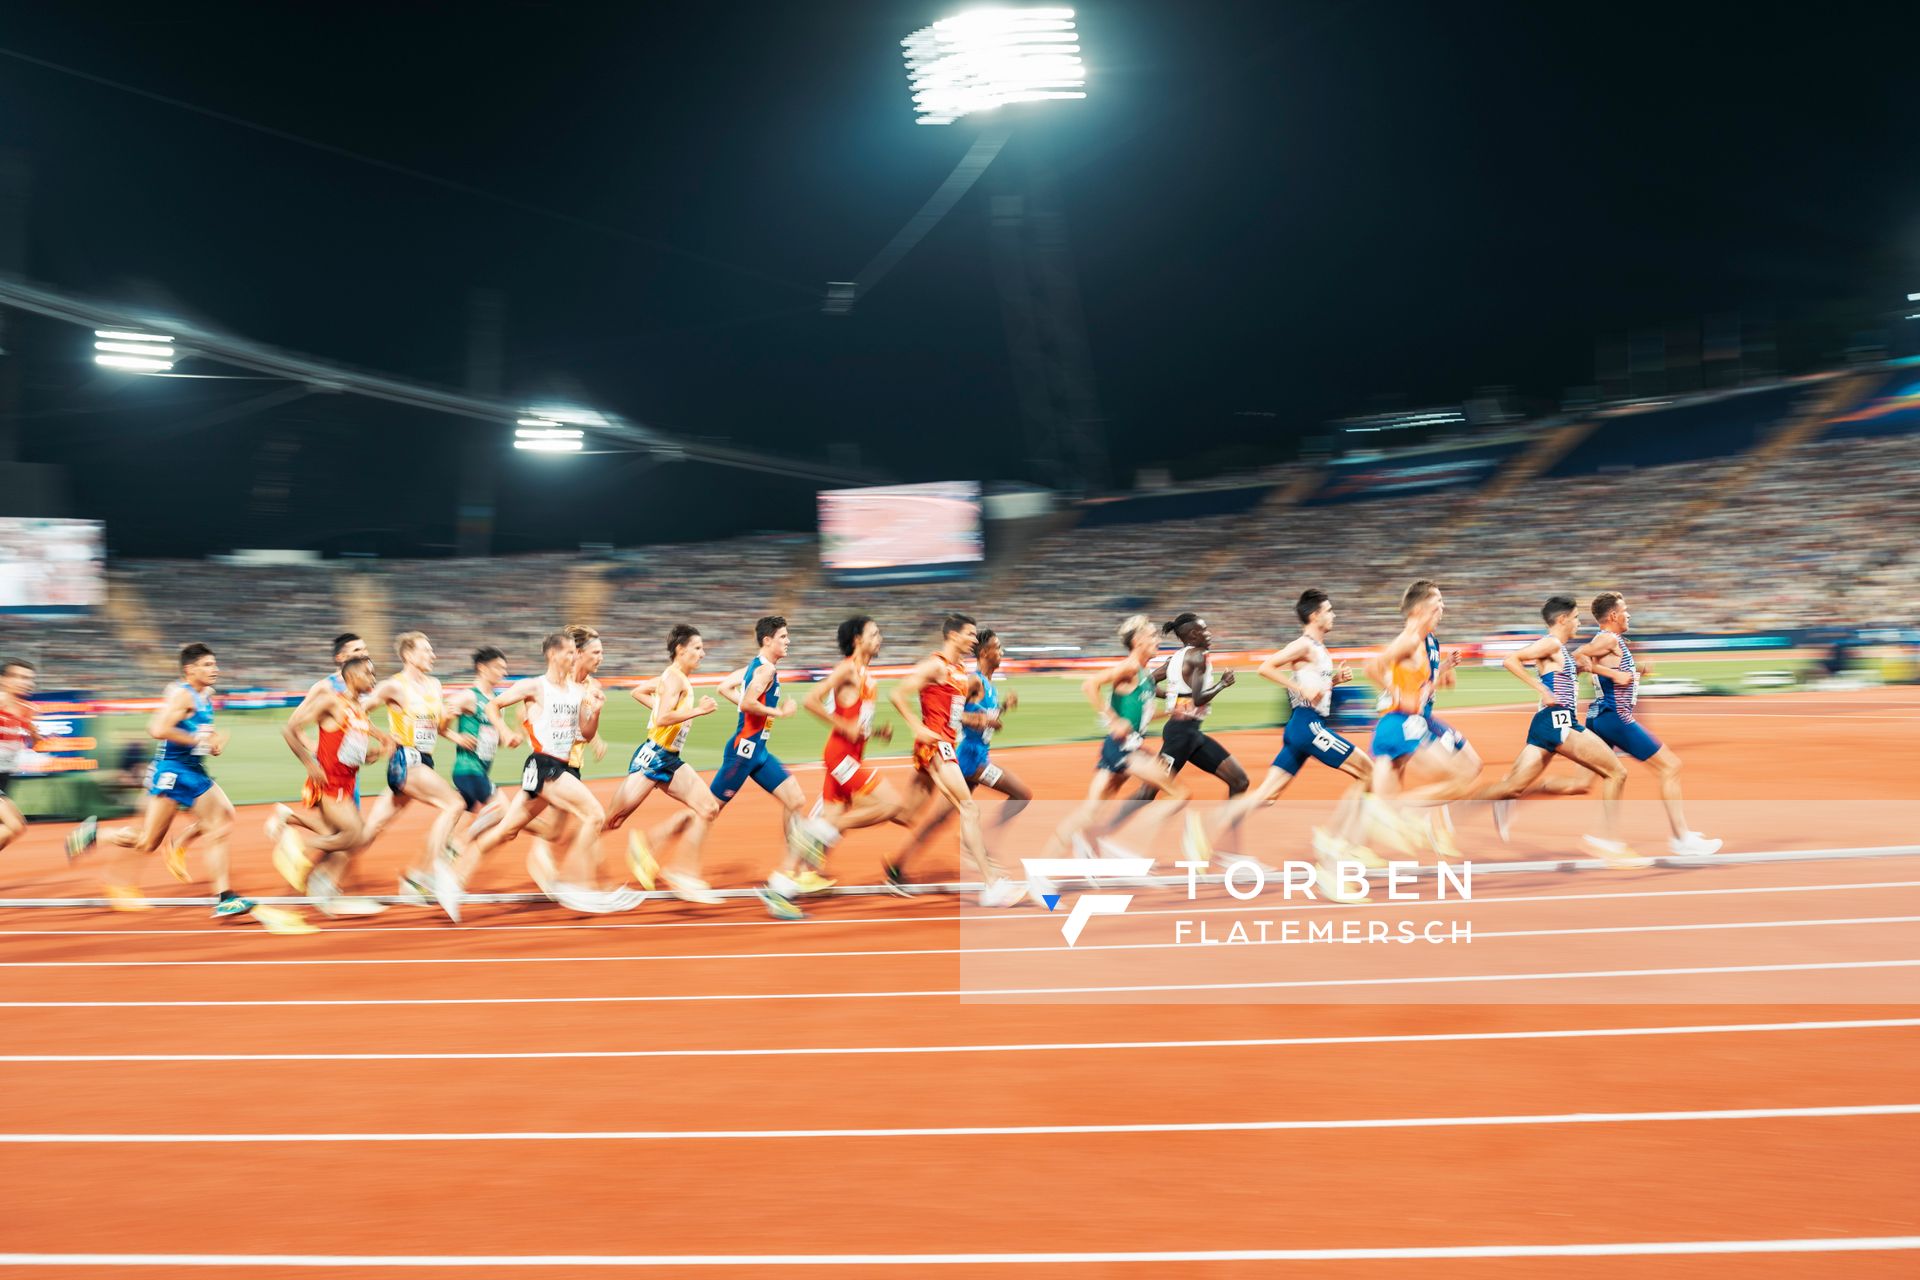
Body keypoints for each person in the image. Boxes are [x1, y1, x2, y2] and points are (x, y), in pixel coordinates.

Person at [67, 643, 271, 924]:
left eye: (215, 664)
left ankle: (94, 835)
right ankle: (223, 897)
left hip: (191, 768)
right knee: (205, 827)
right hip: (174, 771)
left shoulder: (205, 694)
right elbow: (158, 729)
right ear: (190, 670)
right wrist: (197, 741)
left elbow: (198, 730)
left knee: (164, 836)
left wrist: (210, 744)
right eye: (208, 665)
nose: (216, 669)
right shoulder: (183, 696)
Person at [1199, 590, 1376, 892]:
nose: (1334, 615)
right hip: (1308, 726)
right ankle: (1337, 841)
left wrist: (1333, 681)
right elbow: (1265, 668)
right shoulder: (1304, 644)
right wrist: (1296, 687)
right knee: (1369, 771)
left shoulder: (1318, 648)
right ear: (1315, 615)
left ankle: (1204, 826)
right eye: (1329, 610)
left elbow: (1313, 687)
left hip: (1302, 726)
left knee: (1267, 796)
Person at [438, 631, 612, 920]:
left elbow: (585, 733)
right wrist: (506, 732)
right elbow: (494, 706)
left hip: (559, 767)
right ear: (553, 655)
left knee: (506, 831)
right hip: (545, 766)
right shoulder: (535, 686)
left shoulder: (578, 691)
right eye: (569, 652)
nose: (574, 657)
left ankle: (451, 881)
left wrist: (595, 711)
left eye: (575, 652)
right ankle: (574, 883)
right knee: (594, 815)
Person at [682, 615, 838, 921]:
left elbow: (726, 688)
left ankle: (793, 873)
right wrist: (777, 711)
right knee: (708, 809)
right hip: (743, 751)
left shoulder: (758, 667)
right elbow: (748, 702)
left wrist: (754, 708)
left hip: (759, 751)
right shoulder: (764, 669)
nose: (787, 641)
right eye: (782, 637)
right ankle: (666, 851)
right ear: (767, 641)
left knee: (794, 799)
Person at [1472, 595, 1638, 865]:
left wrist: (1583, 669)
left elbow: (1560, 677)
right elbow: (1510, 660)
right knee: (1617, 772)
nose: (1578, 623)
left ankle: (1444, 808)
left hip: (1548, 721)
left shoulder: (1559, 648)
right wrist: (1541, 689)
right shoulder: (1550, 642)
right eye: (1575, 618)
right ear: (1562, 619)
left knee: (1513, 788)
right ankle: (1609, 842)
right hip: (1559, 719)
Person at [889, 613, 1028, 907]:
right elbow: (897, 693)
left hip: (950, 748)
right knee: (970, 809)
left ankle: (895, 866)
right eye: (969, 635)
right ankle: (991, 883)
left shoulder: (957, 670)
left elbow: (962, 714)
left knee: (913, 814)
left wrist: (997, 712)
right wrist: (918, 727)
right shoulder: (938, 665)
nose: (973, 640)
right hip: (952, 751)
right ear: (953, 635)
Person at [1033, 614, 1188, 871]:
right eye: (1151, 635)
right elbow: (1090, 685)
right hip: (1125, 748)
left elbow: (1140, 715)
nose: (1157, 638)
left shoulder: (1144, 674)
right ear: (1138, 641)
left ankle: (1043, 868)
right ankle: (1127, 845)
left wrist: (1171, 713)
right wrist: (1113, 719)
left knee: (1089, 812)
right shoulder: (1129, 667)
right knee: (1180, 793)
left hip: (1121, 747)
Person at [1578, 592, 1721, 856]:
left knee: (1582, 783)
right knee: (1670, 766)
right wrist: (1613, 674)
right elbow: (1577, 658)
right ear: (1613, 616)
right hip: (1615, 717)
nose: (1629, 614)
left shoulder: (1610, 640)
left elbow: (1597, 666)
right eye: (1625, 610)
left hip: (1601, 716)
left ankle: (1511, 795)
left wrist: (1636, 670)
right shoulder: (1607, 638)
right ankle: (1681, 839)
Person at [603, 624, 724, 906]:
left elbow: (638, 693)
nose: (702, 653)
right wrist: (698, 710)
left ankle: (680, 870)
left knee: (708, 808)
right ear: (681, 650)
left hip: (670, 758)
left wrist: (668, 709)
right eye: (697, 648)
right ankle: (564, 857)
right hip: (653, 756)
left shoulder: (671, 677)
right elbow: (662, 719)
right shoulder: (674, 679)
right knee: (611, 821)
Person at [271, 655, 394, 915]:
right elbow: (290, 729)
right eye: (368, 673)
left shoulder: (359, 709)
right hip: (329, 783)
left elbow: (354, 750)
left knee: (338, 836)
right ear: (352, 677)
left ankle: (318, 881)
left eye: (374, 674)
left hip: (347, 783)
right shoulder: (330, 701)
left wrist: (373, 754)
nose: (373, 679)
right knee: (355, 835)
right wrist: (309, 763)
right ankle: (299, 848)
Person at [805, 614, 915, 884]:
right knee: (892, 806)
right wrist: (843, 724)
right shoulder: (848, 669)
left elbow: (856, 722)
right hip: (841, 756)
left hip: (849, 755)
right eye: (874, 634)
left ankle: (804, 876)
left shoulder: (867, 676)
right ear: (857, 640)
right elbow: (810, 700)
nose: (880, 639)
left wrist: (876, 732)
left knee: (833, 816)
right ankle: (820, 829)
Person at [368, 632, 471, 897]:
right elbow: (357, 710)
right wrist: (381, 738)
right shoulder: (395, 686)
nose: (433, 655)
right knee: (455, 804)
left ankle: (321, 871)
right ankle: (426, 875)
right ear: (409, 655)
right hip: (405, 760)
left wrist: (454, 733)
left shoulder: (435, 685)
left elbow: (435, 726)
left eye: (431, 650)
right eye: (426, 650)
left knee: (372, 828)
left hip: (424, 760)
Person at [0, 659, 37, 861]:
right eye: (19, 677)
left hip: (4, 777)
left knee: (12, 828)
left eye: (29, 679)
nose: (25, 682)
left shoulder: (26, 709)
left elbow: (32, 737)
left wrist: (36, 737)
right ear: (3, 680)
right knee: (14, 826)